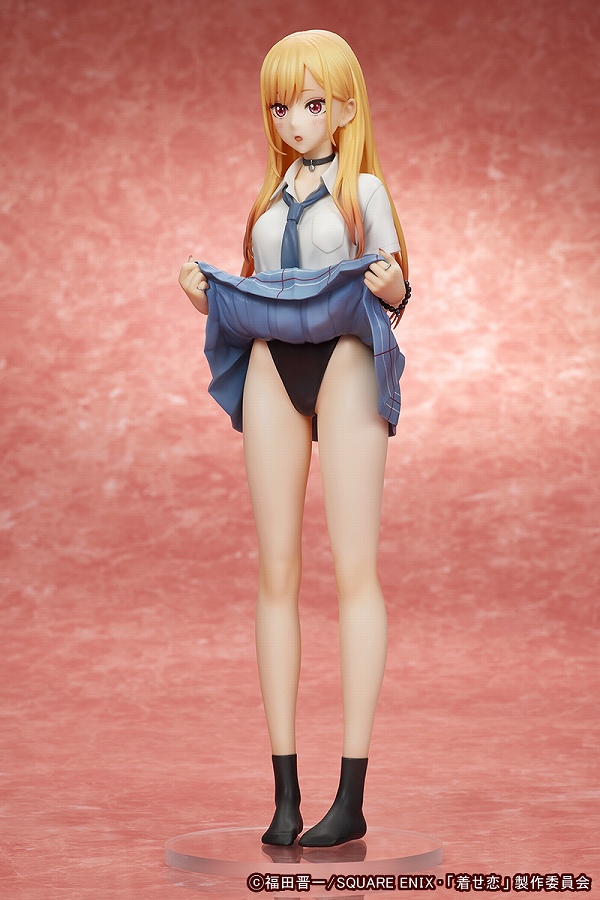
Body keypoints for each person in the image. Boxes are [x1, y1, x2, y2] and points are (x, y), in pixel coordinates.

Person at [178, 29, 409, 848]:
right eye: (281, 106)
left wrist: (393, 283)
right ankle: (284, 795)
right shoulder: (269, 197)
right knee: (275, 570)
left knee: (355, 570)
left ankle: (351, 794)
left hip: (345, 359)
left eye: (311, 103)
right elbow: (255, 288)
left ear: (344, 108)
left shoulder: (362, 189)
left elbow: (396, 290)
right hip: (272, 363)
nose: (295, 120)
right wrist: (204, 294)